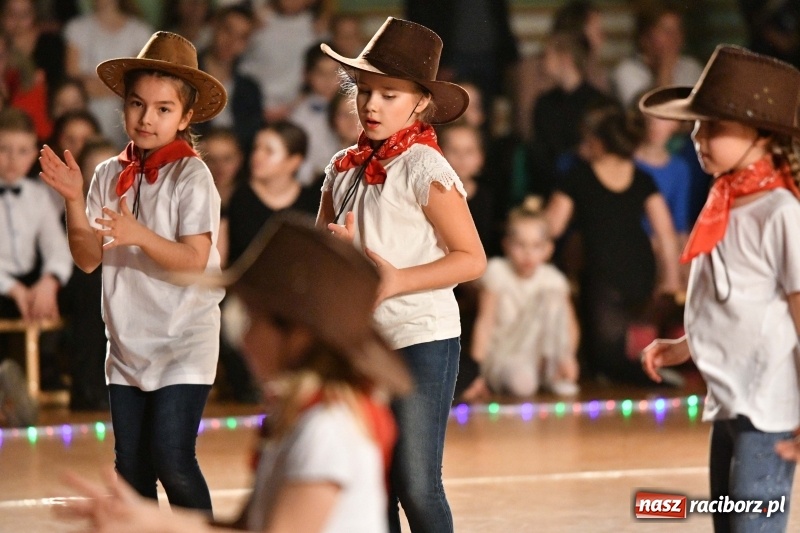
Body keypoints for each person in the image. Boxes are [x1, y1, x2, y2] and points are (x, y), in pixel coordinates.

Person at [58, 214, 412, 533]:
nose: (242, 337)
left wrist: (156, 524)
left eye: (253, 319)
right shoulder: (299, 414)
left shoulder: (329, 429)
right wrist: (148, 519)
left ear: (298, 337)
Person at [38, 31, 227, 514]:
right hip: (126, 344)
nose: (147, 118)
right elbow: (87, 258)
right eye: (137, 104)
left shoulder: (192, 176)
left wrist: (137, 233)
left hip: (184, 338)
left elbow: (192, 259)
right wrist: (75, 201)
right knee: (132, 470)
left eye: (164, 109)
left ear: (186, 117)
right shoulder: (107, 173)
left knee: (172, 457)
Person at [317, 18, 487, 533]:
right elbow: (324, 242)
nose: (371, 105)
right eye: (365, 91)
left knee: (415, 480)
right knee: (374, 484)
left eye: (389, 95)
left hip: (421, 337)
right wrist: (336, 252)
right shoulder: (342, 167)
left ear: (420, 104)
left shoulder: (425, 168)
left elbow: (471, 258)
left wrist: (396, 280)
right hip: (360, 341)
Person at [640, 45, 800, 532]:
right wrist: (684, 346)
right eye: (695, 125)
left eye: (713, 125)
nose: (697, 136)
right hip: (731, 400)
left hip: (770, 406)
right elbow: (734, 303)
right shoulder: (725, 201)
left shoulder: (781, 212)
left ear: (763, 135)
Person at [545, 103, 681, 386]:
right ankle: (647, 370)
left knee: (605, 359)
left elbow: (553, 227)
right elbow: (666, 233)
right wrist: (670, 280)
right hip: (639, 270)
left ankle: (647, 374)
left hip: (602, 274)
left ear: (597, 143)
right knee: (612, 351)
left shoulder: (578, 177)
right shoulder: (643, 179)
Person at [463, 199, 580, 402]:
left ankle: (555, 370)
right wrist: (475, 372)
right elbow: (485, 323)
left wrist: (568, 356)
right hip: (504, 356)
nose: (528, 254)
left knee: (552, 298)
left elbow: (570, 325)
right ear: (507, 245)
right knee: (522, 384)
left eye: (536, 246)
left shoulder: (553, 279)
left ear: (548, 249)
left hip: (539, 356)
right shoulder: (497, 272)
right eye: (520, 245)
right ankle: (531, 377)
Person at [0, 107, 72, 378]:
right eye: (4, 149)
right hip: (4, 284)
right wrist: (14, 289)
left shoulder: (40, 196)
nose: (12, 159)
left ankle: (57, 372)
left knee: (83, 287)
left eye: (21, 151)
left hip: (31, 282)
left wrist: (50, 281)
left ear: (33, 154)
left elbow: (57, 246)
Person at [227, 120, 318, 266]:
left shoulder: (313, 202)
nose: (257, 155)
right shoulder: (237, 196)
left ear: (294, 161)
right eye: (256, 148)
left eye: (269, 151)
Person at [63, 0, 153, 148]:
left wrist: (96, 85)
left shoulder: (139, 32)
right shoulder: (77, 28)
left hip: (123, 116)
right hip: (86, 114)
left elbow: (138, 81)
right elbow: (73, 78)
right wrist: (117, 86)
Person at [195, 4, 263, 154]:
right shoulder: (186, 75)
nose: (232, 41)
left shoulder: (249, 89)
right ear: (214, 26)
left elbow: (251, 137)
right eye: (228, 30)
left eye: (242, 37)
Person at [611, 4, 703, 108]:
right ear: (645, 38)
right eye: (666, 31)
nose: (674, 37)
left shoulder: (691, 67)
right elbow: (651, 113)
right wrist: (666, 68)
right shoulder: (626, 71)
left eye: (678, 30)